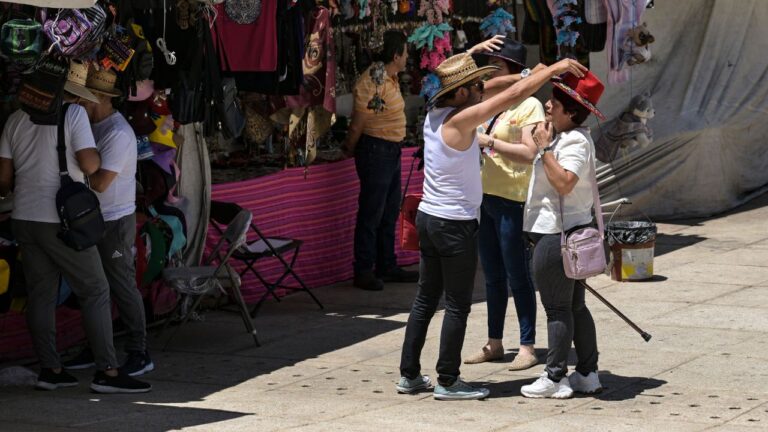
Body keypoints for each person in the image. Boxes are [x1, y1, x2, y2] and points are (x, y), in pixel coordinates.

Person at [396, 52, 586, 400]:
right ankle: (448, 379)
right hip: (453, 225)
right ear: (462, 93)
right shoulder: (461, 120)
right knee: (457, 305)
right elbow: (510, 95)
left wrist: (528, 73)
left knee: (425, 299)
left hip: (429, 218)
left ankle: (409, 375)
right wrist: (553, 70)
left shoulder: (436, 111)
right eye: (474, 86)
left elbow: (498, 86)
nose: (481, 89)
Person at [0, 62, 151, 393]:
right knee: (95, 289)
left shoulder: (15, 120)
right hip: (60, 220)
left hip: (24, 218)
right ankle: (107, 372)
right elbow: (91, 166)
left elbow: (4, 181)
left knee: (41, 293)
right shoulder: (74, 114)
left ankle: (51, 369)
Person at [519, 71, 606, 399]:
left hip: (556, 234)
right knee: (574, 306)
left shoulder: (573, 142)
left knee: (558, 308)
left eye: (554, 102)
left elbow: (565, 182)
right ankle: (587, 373)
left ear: (571, 112)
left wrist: (544, 149)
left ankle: (555, 376)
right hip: (561, 232)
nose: (547, 104)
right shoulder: (565, 136)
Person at [62, 68, 153, 377]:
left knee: (120, 282)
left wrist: (71, 172)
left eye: (83, 98)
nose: (78, 104)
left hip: (114, 223)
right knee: (94, 287)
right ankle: (98, 346)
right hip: (94, 219)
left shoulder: (117, 133)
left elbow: (101, 183)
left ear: (99, 98)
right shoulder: (95, 126)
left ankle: (139, 350)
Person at [462, 36, 544, 370]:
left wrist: (488, 141)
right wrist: (471, 52)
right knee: (492, 276)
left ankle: (527, 346)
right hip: (485, 198)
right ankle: (494, 342)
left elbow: (529, 153)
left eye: (495, 67)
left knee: (518, 275)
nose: (488, 74)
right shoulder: (488, 101)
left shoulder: (530, 105)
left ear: (512, 70)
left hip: (513, 199)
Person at [343, 30, 419, 291]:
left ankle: (386, 265)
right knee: (372, 212)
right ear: (396, 56)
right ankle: (364, 270)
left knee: (388, 211)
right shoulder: (371, 80)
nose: (407, 58)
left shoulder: (389, 77)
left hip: (390, 150)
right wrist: (349, 147)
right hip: (376, 150)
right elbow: (358, 123)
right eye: (405, 53)